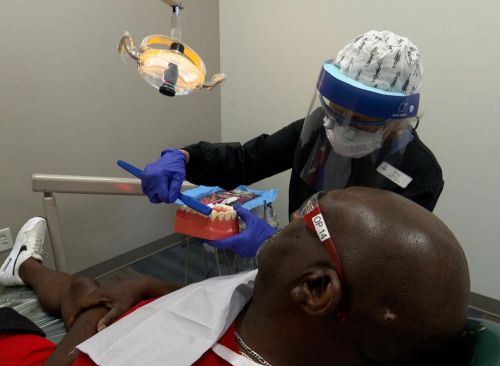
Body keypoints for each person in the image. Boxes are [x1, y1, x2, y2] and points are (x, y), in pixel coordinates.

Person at [0, 187, 468, 366]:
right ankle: (22, 264)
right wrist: (149, 288)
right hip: (125, 321)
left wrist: (85, 330)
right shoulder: (304, 332)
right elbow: (220, 306)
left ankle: (21, 266)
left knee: (82, 293)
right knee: (84, 286)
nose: (287, 222)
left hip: (41, 354)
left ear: (317, 289)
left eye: (306, 217)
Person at [139, 30, 444, 256]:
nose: (339, 127)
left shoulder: (420, 173)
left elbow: (380, 259)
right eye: (334, 110)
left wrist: (276, 247)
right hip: (295, 263)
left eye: (359, 119)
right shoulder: (315, 131)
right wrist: (186, 156)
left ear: (398, 119)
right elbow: (247, 159)